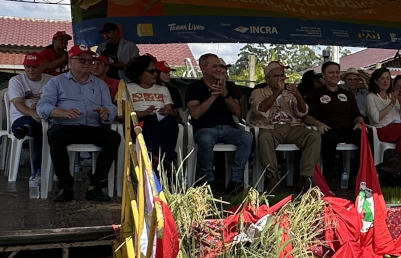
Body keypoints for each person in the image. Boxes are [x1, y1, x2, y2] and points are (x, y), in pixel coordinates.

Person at [36, 44, 120, 203]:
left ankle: (96, 186)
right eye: (82, 60)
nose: (88, 64)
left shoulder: (100, 84)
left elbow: (110, 106)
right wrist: (61, 112)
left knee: (113, 137)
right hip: (66, 126)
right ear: (70, 61)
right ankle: (65, 186)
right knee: (55, 135)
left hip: (93, 127)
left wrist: (106, 111)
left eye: (90, 61)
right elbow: (42, 106)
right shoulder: (56, 82)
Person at [185, 54, 254, 192]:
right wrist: (213, 96)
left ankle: (236, 180)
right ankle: (208, 181)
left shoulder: (228, 86)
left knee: (247, 137)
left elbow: (239, 114)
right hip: (204, 129)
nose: (218, 69)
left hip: (228, 129)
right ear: (203, 68)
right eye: (214, 66)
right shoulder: (194, 87)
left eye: (219, 66)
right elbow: (195, 114)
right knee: (205, 139)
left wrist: (225, 95)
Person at [248, 61, 320, 191]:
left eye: (282, 75)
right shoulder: (258, 92)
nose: (280, 78)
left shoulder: (289, 92)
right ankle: (272, 177)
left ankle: (306, 176)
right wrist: (277, 93)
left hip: (291, 126)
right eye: (276, 76)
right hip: (269, 127)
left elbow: (302, 112)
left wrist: (298, 96)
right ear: (267, 79)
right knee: (264, 137)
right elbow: (260, 110)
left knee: (314, 135)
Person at [305, 61, 366, 183]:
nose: (335, 75)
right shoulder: (315, 94)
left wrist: (359, 122)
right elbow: (306, 116)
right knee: (330, 138)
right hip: (326, 128)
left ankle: (357, 175)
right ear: (323, 75)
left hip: (345, 128)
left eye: (337, 72)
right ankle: (330, 177)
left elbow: (357, 115)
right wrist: (318, 124)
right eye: (331, 72)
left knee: (364, 136)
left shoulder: (347, 94)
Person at [125, 56, 180, 172]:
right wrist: (143, 113)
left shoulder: (163, 90)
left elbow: (170, 110)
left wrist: (166, 111)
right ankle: (165, 163)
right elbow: (122, 115)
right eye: (151, 71)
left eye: (156, 71)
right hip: (138, 122)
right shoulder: (127, 88)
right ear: (139, 73)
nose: (155, 74)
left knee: (172, 120)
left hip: (160, 120)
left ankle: (156, 157)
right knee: (147, 126)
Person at [7, 52, 50, 179]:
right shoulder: (16, 80)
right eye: (28, 67)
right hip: (20, 118)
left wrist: (40, 106)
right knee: (40, 127)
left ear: (42, 66)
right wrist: (33, 113)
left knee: (50, 129)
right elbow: (18, 104)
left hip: (44, 117)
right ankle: (39, 169)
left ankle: (27, 128)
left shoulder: (51, 80)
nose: (31, 70)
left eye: (34, 67)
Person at [366, 68, 401, 155]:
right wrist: (391, 104)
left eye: (388, 78)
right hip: (380, 130)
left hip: (396, 129)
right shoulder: (371, 97)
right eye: (382, 78)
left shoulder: (392, 95)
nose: (385, 81)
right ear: (376, 81)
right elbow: (376, 118)